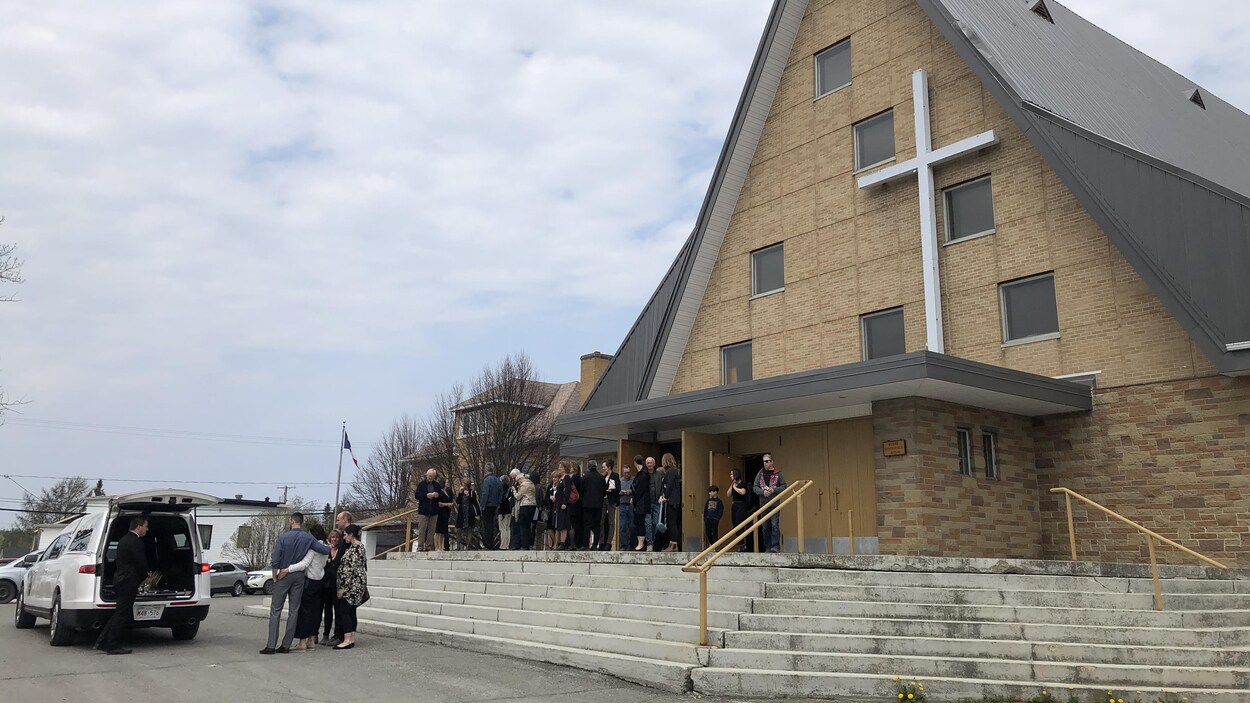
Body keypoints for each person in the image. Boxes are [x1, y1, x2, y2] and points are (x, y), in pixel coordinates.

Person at [261, 512, 331, 655]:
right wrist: (331, 547)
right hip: (299, 576)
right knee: (294, 610)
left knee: (276, 610)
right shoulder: (308, 538)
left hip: (284, 574)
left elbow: (275, 558)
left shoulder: (284, 537)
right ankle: (286, 645)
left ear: (292, 521)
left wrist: (275, 576)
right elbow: (325, 550)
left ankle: (271, 645)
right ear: (301, 522)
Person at [95, 515, 149, 655]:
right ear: (139, 527)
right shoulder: (136, 542)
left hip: (120, 580)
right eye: (145, 526)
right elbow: (140, 562)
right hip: (128, 582)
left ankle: (102, 642)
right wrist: (145, 577)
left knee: (119, 613)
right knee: (121, 614)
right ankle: (112, 645)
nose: (147, 529)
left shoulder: (124, 540)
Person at [290, 524, 329, 651]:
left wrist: (288, 569)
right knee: (316, 611)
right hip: (320, 581)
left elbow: (305, 564)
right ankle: (312, 639)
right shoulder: (326, 547)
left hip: (309, 581)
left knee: (304, 612)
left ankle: (302, 641)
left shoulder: (313, 548)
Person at [334, 524, 368, 650]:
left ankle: (347, 639)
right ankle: (351, 638)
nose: (344, 537)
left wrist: (343, 588)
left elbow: (351, 569)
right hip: (355, 583)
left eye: (345, 535)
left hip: (352, 585)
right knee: (351, 611)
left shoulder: (356, 548)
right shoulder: (358, 547)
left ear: (351, 534)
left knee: (345, 611)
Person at [753, 454, 787, 553]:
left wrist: (773, 489)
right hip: (763, 504)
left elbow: (784, 486)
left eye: (767, 461)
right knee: (765, 527)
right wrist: (762, 492)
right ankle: (768, 547)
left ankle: (775, 546)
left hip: (774, 504)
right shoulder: (760, 473)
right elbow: (755, 487)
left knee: (775, 525)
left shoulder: (778, 473)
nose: (765, 463)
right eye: (764, 461)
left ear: (772, 462)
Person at [319, 529, 343, 646]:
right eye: (333, 537)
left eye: (337, 537)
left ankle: (337, 634)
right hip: (326, 585)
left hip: (337, 584)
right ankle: (325, 634)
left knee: (338, 610)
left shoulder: (341, 551)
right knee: (327, 610)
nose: (335, 539)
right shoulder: (326, 550)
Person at [658, 453, 683, 552]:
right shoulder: (673, 471)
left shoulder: (671, 471)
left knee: (672, 523)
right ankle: (672, 543)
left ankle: (673, 544)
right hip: (672, 500)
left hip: (672, 501)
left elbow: (669, 486)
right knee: (670, 522)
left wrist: (665, 496)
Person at [580, 460, 606, 550]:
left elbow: (581, 491)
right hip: (598, 504)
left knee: (587, 525)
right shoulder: (601, 478)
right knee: (597, 525)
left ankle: (585, 545)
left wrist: (583, 500)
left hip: (587, 504)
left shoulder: (585, 477)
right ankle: (595, 545)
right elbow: (604, 491)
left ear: (588, 467)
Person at [414, 469, 442, 552]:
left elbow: (441, 495)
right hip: (423, 511)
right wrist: (426, 495)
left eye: (432, 476)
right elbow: (417, 495)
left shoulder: (437, 485)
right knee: (422, 529)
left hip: (434, 511)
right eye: (429, 476)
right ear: (426, 475)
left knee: (432, 530)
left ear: (434, 476)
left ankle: (429, 546)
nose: (430, 477)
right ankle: (420, 546)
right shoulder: (421, 484)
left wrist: (437, 495)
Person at [729, 468, 754, 553]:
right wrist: (732, 485)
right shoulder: (733, 484)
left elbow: (743, 492)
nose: (730, 476)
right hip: (734, 505)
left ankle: (742, 544)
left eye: (731, 474)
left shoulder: (742, 484)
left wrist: (735, 488)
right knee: (734, 524)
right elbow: (728, 494)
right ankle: (740, 544)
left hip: (741, 506)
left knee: (739, 524)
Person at [552, 461, 575, 550]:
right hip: (558, 503)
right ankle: (560, 542)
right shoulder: (561, 478)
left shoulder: (566, 477)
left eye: (561, 467)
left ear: (565, 468)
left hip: (563, 504)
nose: (559, 469)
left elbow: (567, 491)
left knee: (564, 524)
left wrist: (565, 502)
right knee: (560, 523)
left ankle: (563, 542)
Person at [631, 455, 652, 551]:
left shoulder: (643, 474)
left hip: (642, 502)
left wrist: (634, 499)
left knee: (641, 522)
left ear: (635, 462)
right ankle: (639, 542)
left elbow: (640, 490)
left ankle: (641, 543)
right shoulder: (640, 474)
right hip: (638, 502)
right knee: (637, 522)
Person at [600, 458, 620, 551]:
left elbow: (618, 488)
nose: (603, 468)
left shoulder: (615, 476)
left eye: (604, 467)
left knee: (611, 521)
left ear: (609, 467)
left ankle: (609, 542)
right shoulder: (604, 477)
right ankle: (602, 541)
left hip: (611, 500)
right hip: (603, 500)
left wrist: (610, 490)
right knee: (601, 521)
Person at [455, 479, 481, 550]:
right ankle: (458, 545)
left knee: (469, 529)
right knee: (459, 529)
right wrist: (460, 493)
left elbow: (474, 501)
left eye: (464, 485)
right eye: (463, 484)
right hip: (462, 512)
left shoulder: (472, 492)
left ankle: (468, 546)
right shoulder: (461, 492)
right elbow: (457, 501)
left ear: (467, 485)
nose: (463, 486)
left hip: (469, 513)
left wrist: (468, 495)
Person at [480, 471, 503, 549]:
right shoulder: (498, 480)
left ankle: (488, 544)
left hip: (487, 504)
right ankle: (491, 543)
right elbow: (500, 493)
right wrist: (498, 503)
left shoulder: (486, 480)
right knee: (492, 524)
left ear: (487, 471)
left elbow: (485, 493)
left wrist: (482, 505)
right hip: (494, 505)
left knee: (487, 525)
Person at [515, 470, 537, 549]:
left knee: (523, 525)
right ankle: (528, 543)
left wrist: (514, 491)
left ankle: (524, 545)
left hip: (525, 505)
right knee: (528, 525)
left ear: (520, 479)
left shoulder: (524, 485)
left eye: (518, 481)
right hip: (533, 505)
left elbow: (518, 496)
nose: (518, 483)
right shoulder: (532, 484)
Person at [617, 462, 635, 550]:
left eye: (628, 472)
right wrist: (620, 492)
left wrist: (630, 491)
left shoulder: (634, 480)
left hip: (631, 505)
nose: (627, 474)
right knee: (622, 526)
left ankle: (632, 545)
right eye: (625, 473)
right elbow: (615, 491)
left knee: (632, 526)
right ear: (622, 472)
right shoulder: (620, 481)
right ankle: (624, 545)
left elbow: (637, 490)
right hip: (622, 504)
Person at [646, 456, 662, 548]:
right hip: (647, 503)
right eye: (648, 463)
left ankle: (653, 540)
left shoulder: (659, 474)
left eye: (651, 462)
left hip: (656, 503)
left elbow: (663, 487)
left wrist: (661, 495)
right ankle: (649, 543)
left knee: (655, 523)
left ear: (654, 464)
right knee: (648, 524)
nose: (649, 464)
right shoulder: (644, 474)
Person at [499, 471, 517, 550]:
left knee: (502, 529)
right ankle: (507, 544)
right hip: (509, 510)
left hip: (503, 511)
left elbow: (501, 500)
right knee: (507, 528)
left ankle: (503, 545)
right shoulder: (510, 489)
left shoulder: (501, 489)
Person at [436, 484, 454, 551]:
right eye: (447, 482)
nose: (448, 483)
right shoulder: (440, 492)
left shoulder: (448, 491)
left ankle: (441, 546)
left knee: (443, 531)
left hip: (446, 513)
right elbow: (438, 503)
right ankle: (437, 547)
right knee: (438, 531)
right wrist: (447, 504)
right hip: (440, 512)